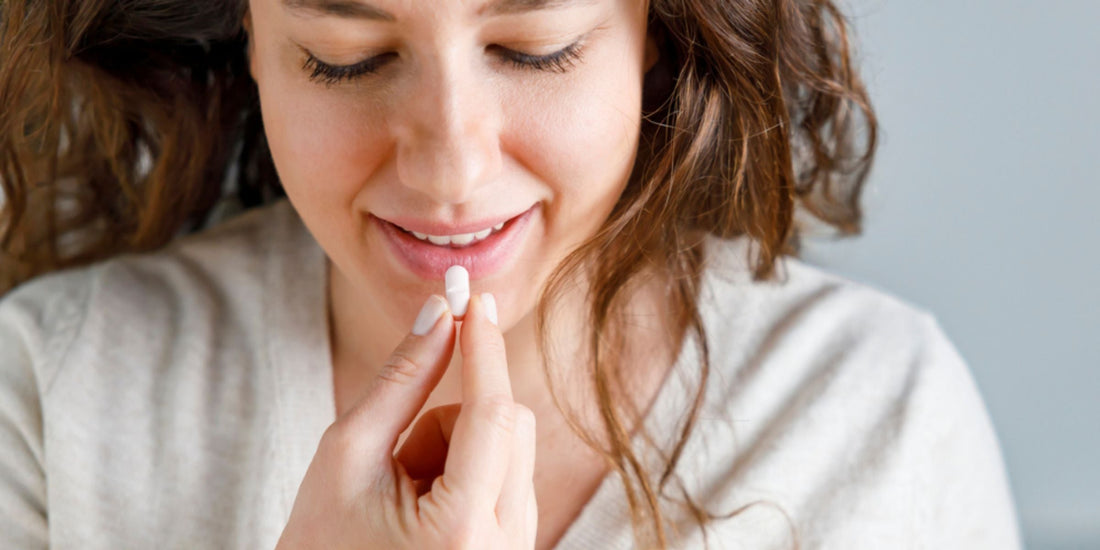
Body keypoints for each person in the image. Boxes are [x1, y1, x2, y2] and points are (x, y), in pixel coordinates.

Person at [0, 0, 1022, 548]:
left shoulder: (870, 417)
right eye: (344, 57)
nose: (450, 169)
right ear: (251, 40)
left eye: (534, 50)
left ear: (654, 33)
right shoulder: (55, 390)